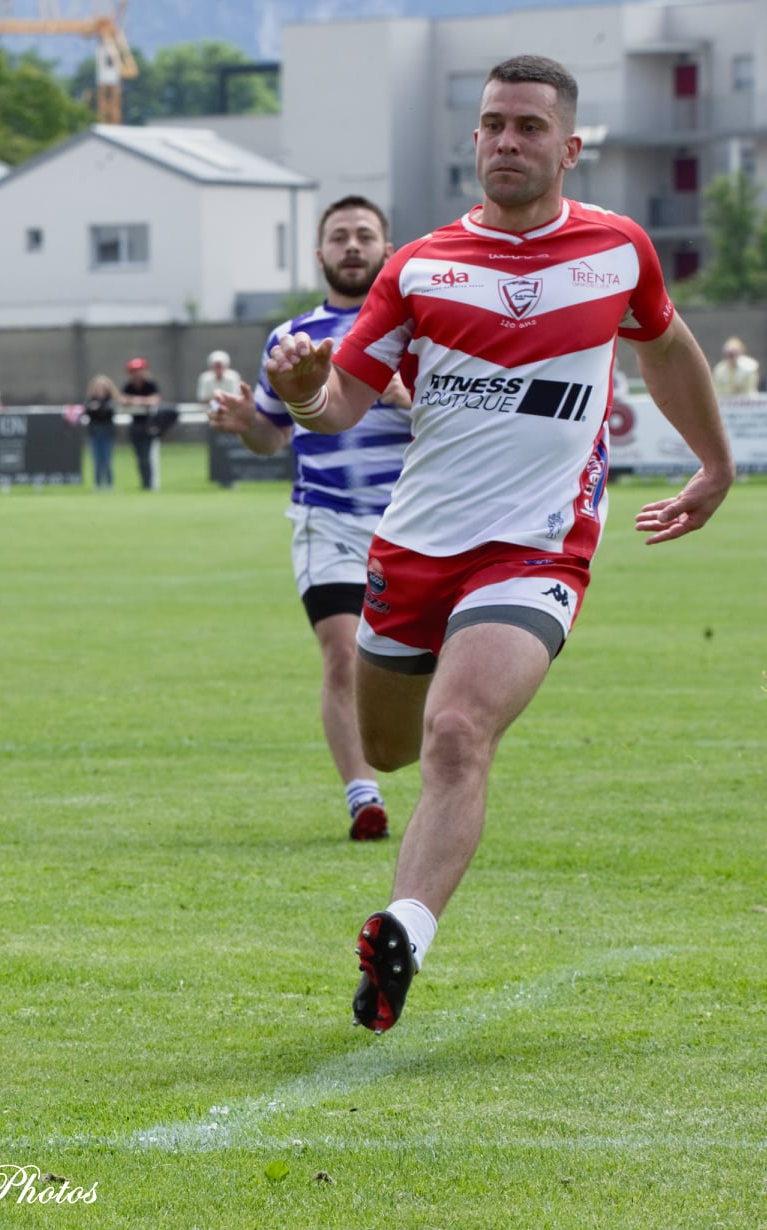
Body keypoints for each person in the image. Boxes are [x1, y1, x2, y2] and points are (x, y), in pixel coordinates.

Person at [264, 55, 733, 1034]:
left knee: (457, 732)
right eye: (493, 125)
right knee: (391, 747)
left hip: (535, 551)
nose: (507, 141)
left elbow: (665, 344)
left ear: (569, 147)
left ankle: (403, 932)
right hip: (413, 549)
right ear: (473, 139)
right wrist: (305, 389)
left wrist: (715, 465)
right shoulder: (419, 266)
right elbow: (341, 405)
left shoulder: (618, 250)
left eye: (529, 126)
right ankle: (403, 897)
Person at [207, 195, 410, 841]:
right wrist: (249, 424)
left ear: (387, 250)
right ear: (320, 254)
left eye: (365, 236)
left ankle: (441, 775)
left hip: (412, 525)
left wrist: (407, 396)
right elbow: (271, 438)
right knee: (342, 655)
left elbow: (459, 420)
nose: (352, 246)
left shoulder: (420, 330)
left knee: (418, 665)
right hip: (328, 520)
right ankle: (363, 797)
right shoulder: (291, 339)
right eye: (340, 236)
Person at [120, 357, 173, 490]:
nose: (137, 374)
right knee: (140, 457)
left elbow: (154, 400)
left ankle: (150, 484)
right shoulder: (128, 386)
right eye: (134, 371)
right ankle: (144, 483)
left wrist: (136, 400)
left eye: (139, 370)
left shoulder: (150, 385)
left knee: (147, 456)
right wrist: (142, 401)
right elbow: (123, 401)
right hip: (135, 424)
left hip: (149, 424)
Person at [82, 374, 120, 490]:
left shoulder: (111, 400)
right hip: (94, 432)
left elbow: (108, 412)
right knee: (97, 460)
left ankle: (109, 484)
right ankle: (97, 484)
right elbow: (87, 411)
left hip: (107, 432)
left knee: (107, 459)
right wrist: (95, 408)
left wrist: (98, 407)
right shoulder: (90, 400)